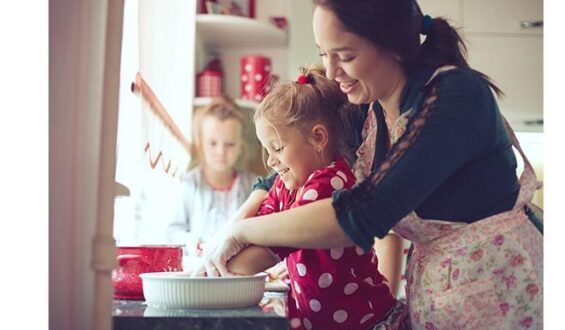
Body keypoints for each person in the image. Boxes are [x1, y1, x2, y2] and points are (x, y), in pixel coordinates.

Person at [196, 0, 544, 328]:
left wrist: (242, 232)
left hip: (505, 290)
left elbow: (363, 213)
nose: (332, 71)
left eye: (344, 55)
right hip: (444, 295)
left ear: (391, 45)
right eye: (323, 54)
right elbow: (279, 174)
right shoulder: (366, 107)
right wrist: (231, 228)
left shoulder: (456, 96)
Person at [222, 67, 401, 329]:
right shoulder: (287, 185)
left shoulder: (329, 184)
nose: (272, 161)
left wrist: (221, 261)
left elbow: (270, 248)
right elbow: (263, 217)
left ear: (318, 138)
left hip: (367, 323)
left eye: (278, 148)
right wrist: (228, 239)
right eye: (267, 150)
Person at [165, 97, 258, 257]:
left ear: (240, 147)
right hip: (199, 267)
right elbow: (173, 230)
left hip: (240, 269)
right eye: (213, 143)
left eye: (229, 144)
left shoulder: (255, 186)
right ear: (201, 145)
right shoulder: (189, 183)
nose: (221, 152)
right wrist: (191, 242)